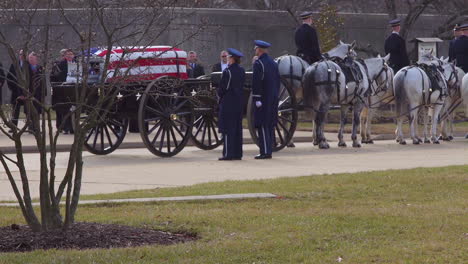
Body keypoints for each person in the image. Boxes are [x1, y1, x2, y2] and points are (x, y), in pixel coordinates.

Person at [251, 40, 280, 160]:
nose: (255, 51)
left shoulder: (259, 64)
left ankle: (265, 151)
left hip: (262, 99)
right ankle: (268, 149)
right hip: (272, 98)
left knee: (262, 125)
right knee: (268, 124)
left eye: (256, 49)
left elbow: (257, 82)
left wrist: (257, 98)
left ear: (259, 50)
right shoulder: (273, 63)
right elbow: (278, 82)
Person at [217, 48, 245, 161]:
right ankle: (238, 153)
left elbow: (223, 88)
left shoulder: (227, 71)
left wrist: (219, 96)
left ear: (232, 59)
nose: (227, 59)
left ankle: (228, 153)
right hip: (238, 102)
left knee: (228, 129)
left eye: (228, 57)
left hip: (228, 102)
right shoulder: (241, 70)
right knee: (237, 128)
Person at [50, 48, 74, 134]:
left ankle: (71, 127)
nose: (69, 56)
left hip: (73, 89)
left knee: (70, 109)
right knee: (63, 110)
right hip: (62, 90)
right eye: (67, 54)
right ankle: (64, 127)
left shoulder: (76, 64)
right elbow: (53, 77)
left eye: (71, 54)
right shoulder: (59, 65)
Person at [6, 50, 27, 130]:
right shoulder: (14, 65)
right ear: (19, 55)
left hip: (26, 93)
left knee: (29, 111)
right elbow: (9, 78)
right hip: (16, 92)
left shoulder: (28, 65)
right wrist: (12, 89)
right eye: (21, 54)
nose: (22, 56)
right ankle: (13, 127)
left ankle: (31, 127)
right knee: (15, 111)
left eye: (24, 54)